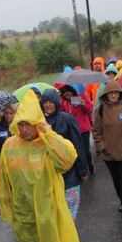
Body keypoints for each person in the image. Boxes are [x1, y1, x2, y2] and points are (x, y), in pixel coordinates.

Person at [0, 91, 83, 242]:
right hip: (24, 207)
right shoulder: (10, 146)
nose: (25, 129)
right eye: (21, 123)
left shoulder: (46, 143)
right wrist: (7, 204)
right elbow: (4, 178)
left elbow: (68, 158)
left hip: (47, 206)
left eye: (30, 124)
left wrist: (48, 133)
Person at [91, 79, 122, 220]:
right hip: (109, 153)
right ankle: (121, 199)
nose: (113, 96)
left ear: (120, 94)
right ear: (106, 94)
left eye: (116, 93)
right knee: (116, 180)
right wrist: (102, 147)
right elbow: (96, 131)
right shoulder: (100, 110)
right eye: (110, 93)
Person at [41, 88, 89, 221]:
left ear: (56, 103)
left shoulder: (67, 119)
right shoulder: (39, 123)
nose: (48, 105)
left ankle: (68, 237)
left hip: (70, 171)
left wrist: (82, 169)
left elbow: (78, 145)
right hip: (50, 173)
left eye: (51, 102)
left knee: (70, 211)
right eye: (45, 102)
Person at [59, 84, 94, 175]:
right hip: (72, 130)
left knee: (86, 151)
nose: (68, 97)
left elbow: (90, 109)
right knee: (77, 151)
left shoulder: (80, 97)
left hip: (83, 129)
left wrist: (84, 104)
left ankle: (89, 162)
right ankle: (82, 170)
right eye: (65, 95)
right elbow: (61, 113)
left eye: (69, 95)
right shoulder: (64, 102)